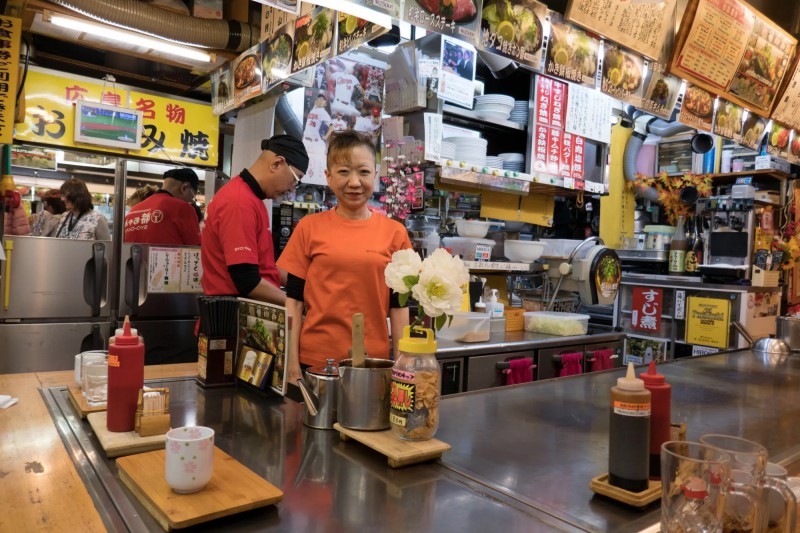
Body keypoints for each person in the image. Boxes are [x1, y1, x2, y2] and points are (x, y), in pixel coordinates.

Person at [278, 131, 412, 384]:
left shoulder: (395, 233)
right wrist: (291, 363)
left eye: (363, 172)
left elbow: (399, 306)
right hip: (315, 361)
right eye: (343, 172)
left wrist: (402, 365)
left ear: (375, 174)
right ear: (328, 177)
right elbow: (294, 302)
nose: (354, 182)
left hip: (374, 364)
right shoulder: (309, 227)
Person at [201, 134, 308, 306]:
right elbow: (247, 280)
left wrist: (309, 286)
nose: (291, 189)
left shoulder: (251, 198)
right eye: (296, 179)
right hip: (232, 317)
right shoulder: (239, 201)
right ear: (276, 164)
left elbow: (264, 267)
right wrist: (298, 306)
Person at [123, 168, 201, 245]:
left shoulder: (133, 211)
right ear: (184, 187)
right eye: (192, 198)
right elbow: (194, 248)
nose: (190, 202)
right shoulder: (183, 208)